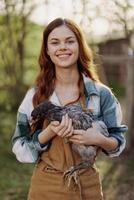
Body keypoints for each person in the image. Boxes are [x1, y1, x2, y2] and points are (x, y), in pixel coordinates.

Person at [12, 18, 127, 200]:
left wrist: (98, 139)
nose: (63, 47)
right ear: (48, 51)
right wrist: (48, 132)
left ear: (79, 46)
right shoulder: (35, 96)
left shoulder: (101, 94)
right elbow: (19, 147)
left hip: (87, 186)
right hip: (46, 186)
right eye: (55, 42)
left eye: (70, 41)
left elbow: (118, 142)